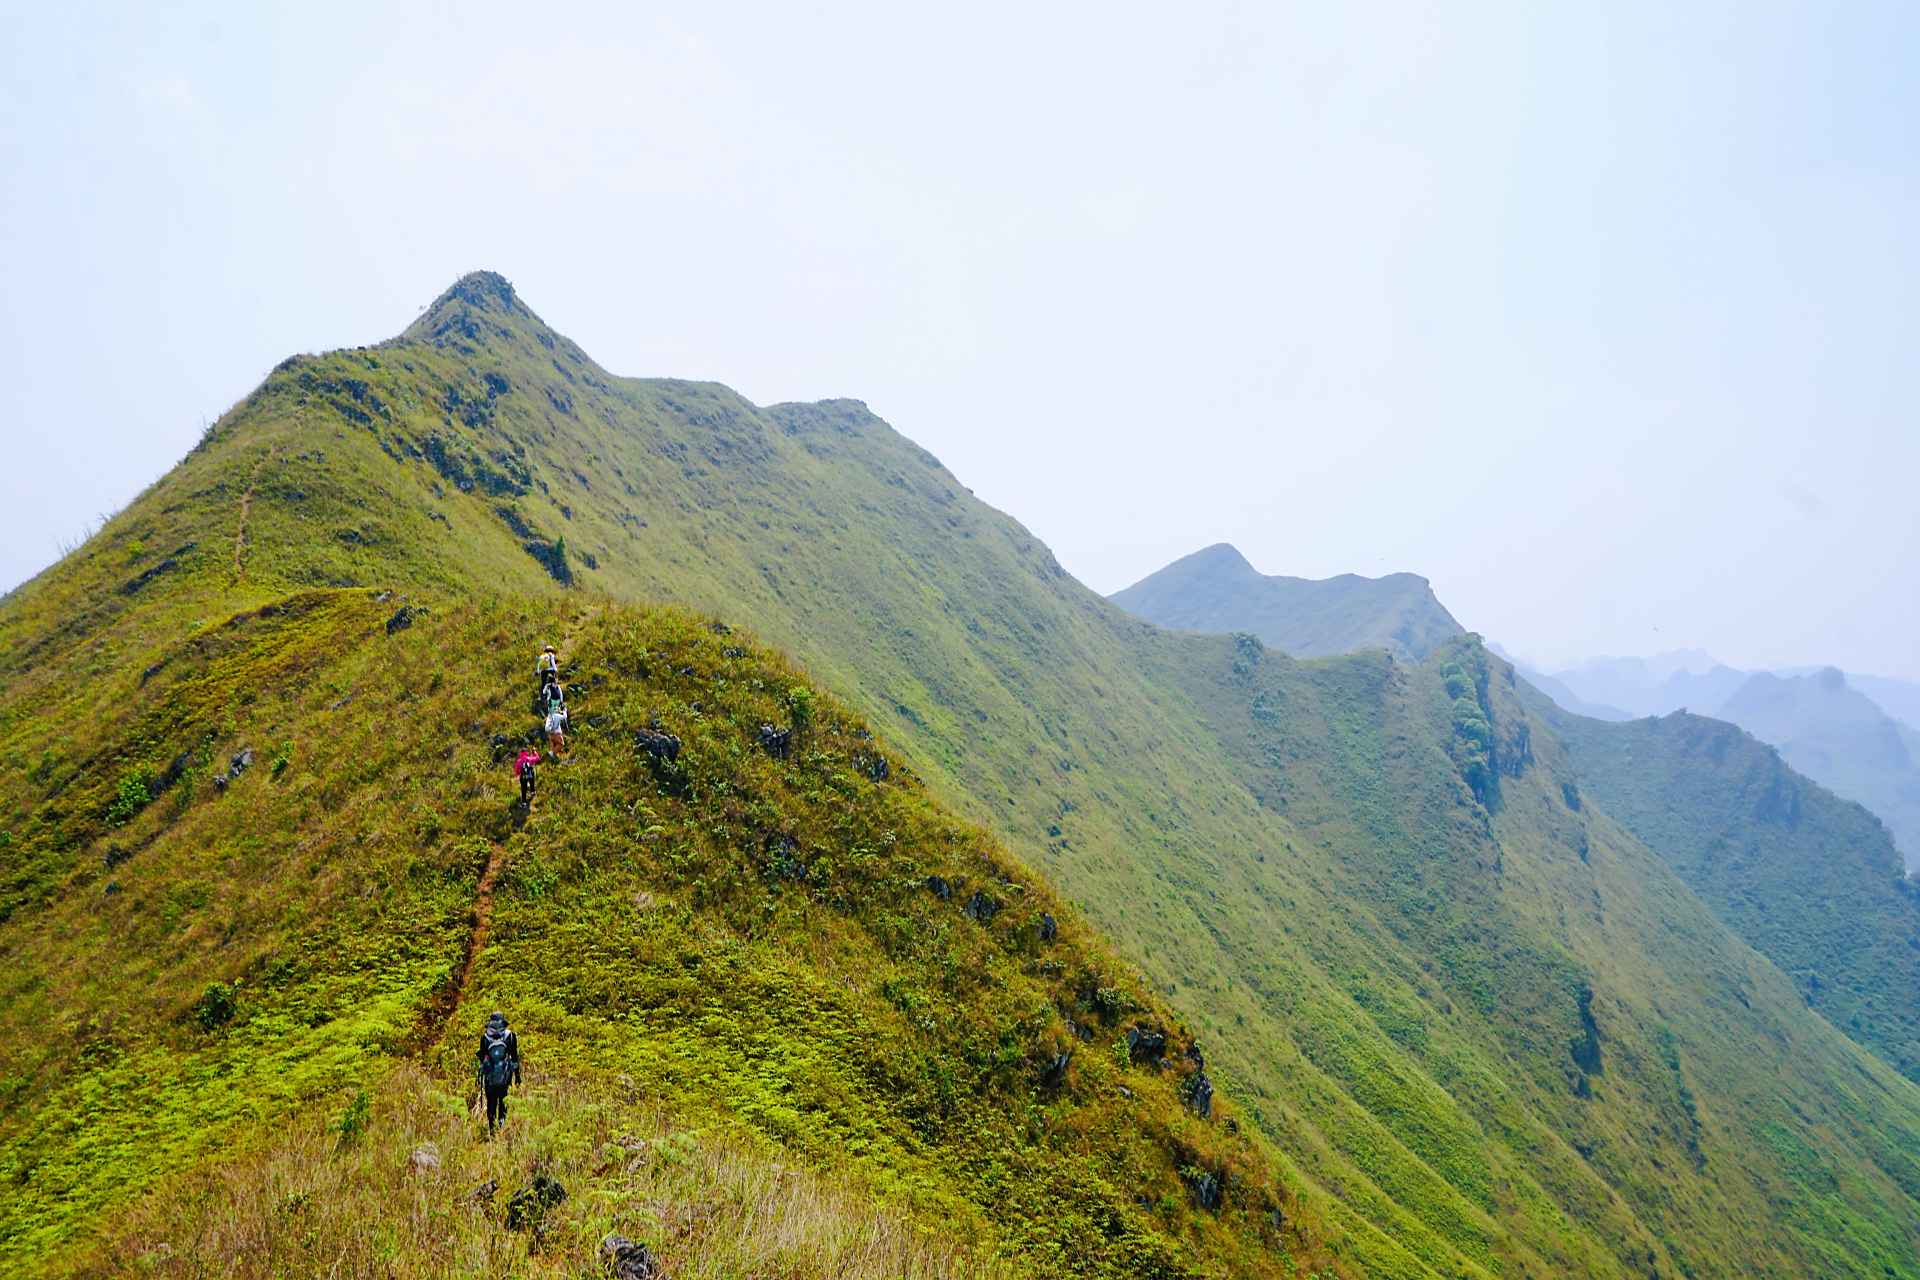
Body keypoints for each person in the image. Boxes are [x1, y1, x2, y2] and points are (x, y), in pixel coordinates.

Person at [476, 1011, 521, 1133]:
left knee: (491, 1103)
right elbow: (514, 1057)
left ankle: (492, 1130)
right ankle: (501, 1125)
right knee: (503, 1102)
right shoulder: (510, 1036)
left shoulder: (485, 1038)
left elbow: (482, 1058)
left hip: (490, 1079)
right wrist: (517, 1077)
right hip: (505, 1077)